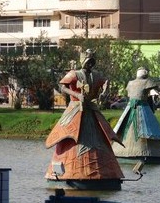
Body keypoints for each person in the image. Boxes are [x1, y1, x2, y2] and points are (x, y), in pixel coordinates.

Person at [44, 49, 124, 183]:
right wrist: (76, 95)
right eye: (88, 62)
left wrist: (104, 90)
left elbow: (105, 81)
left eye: (92, 62)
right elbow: (63, 87)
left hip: (90, 111)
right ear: (83, 61)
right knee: (72, 134)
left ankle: (102, 172)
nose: (90, 65)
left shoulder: (96, 75)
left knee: (98, 137)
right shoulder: (75, 74)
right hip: (76, 109)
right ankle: (70, 171)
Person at [112, 68, 160, 161]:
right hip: (138, 107)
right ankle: (137, 151)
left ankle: (126, 150)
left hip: (134, 107)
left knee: (141, 128)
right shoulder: (146, 82)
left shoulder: (133, 83)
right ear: (146, 75)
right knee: (135, 128)